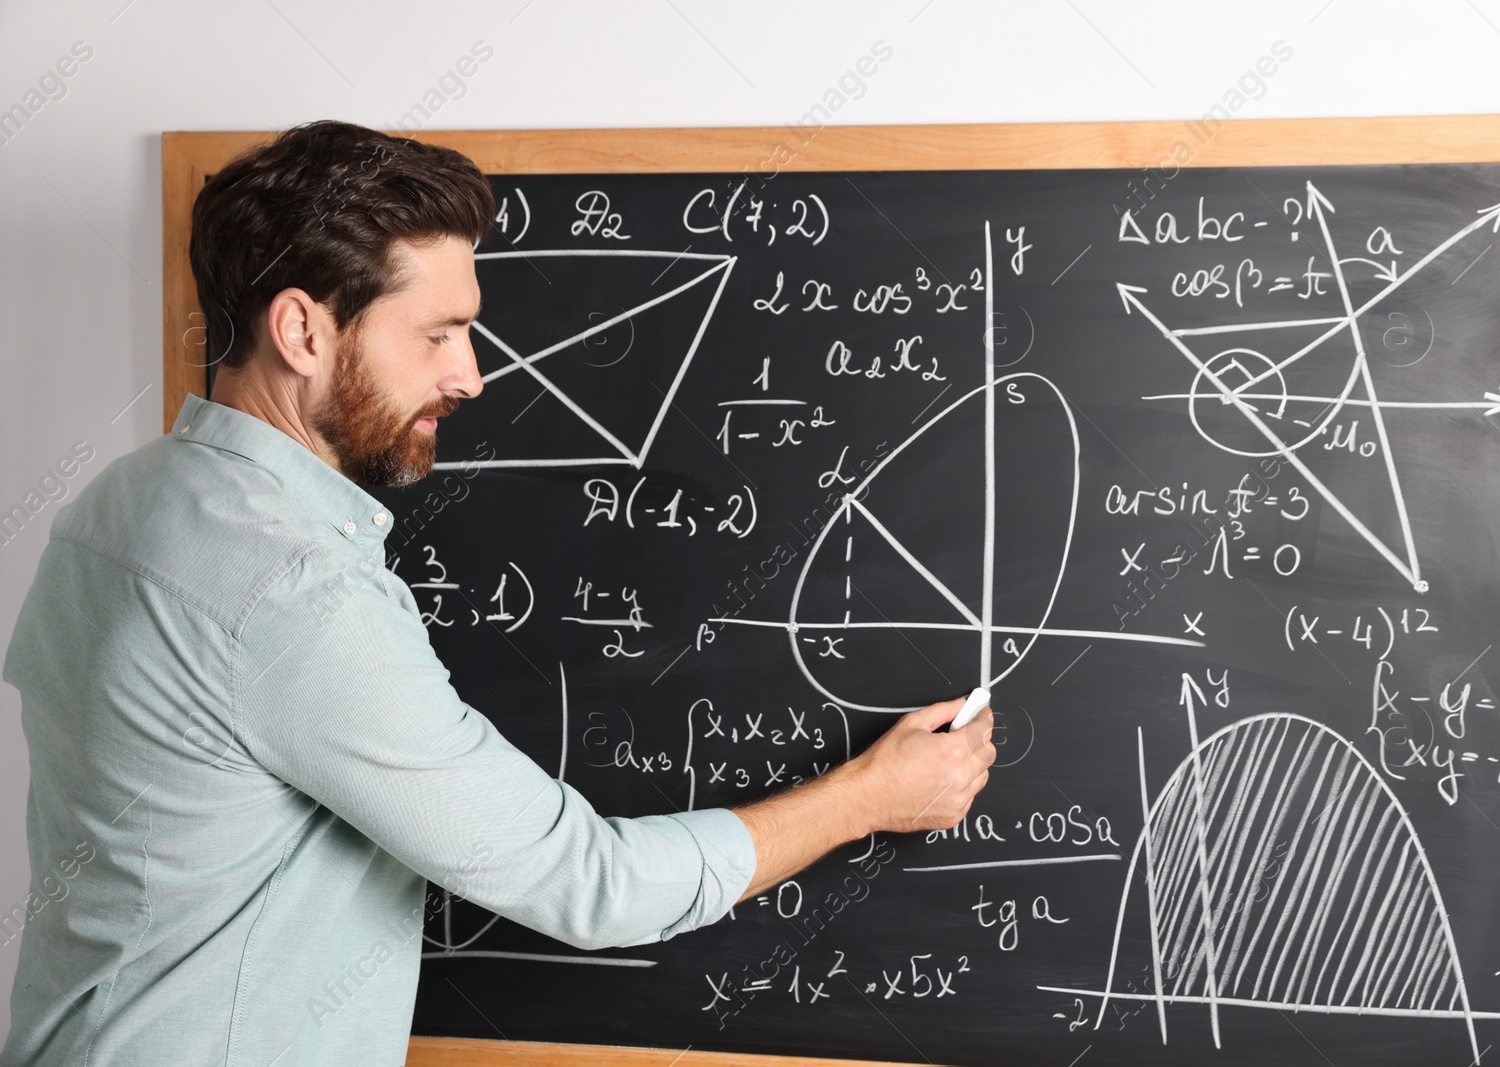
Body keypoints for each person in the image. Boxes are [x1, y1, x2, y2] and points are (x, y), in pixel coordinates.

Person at [0, 121, 994, 1066]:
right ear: (302, 328)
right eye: (437, 334)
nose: (471, 375)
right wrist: (867, 796)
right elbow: (589, 884)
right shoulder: (291, 590)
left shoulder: (116, 506)